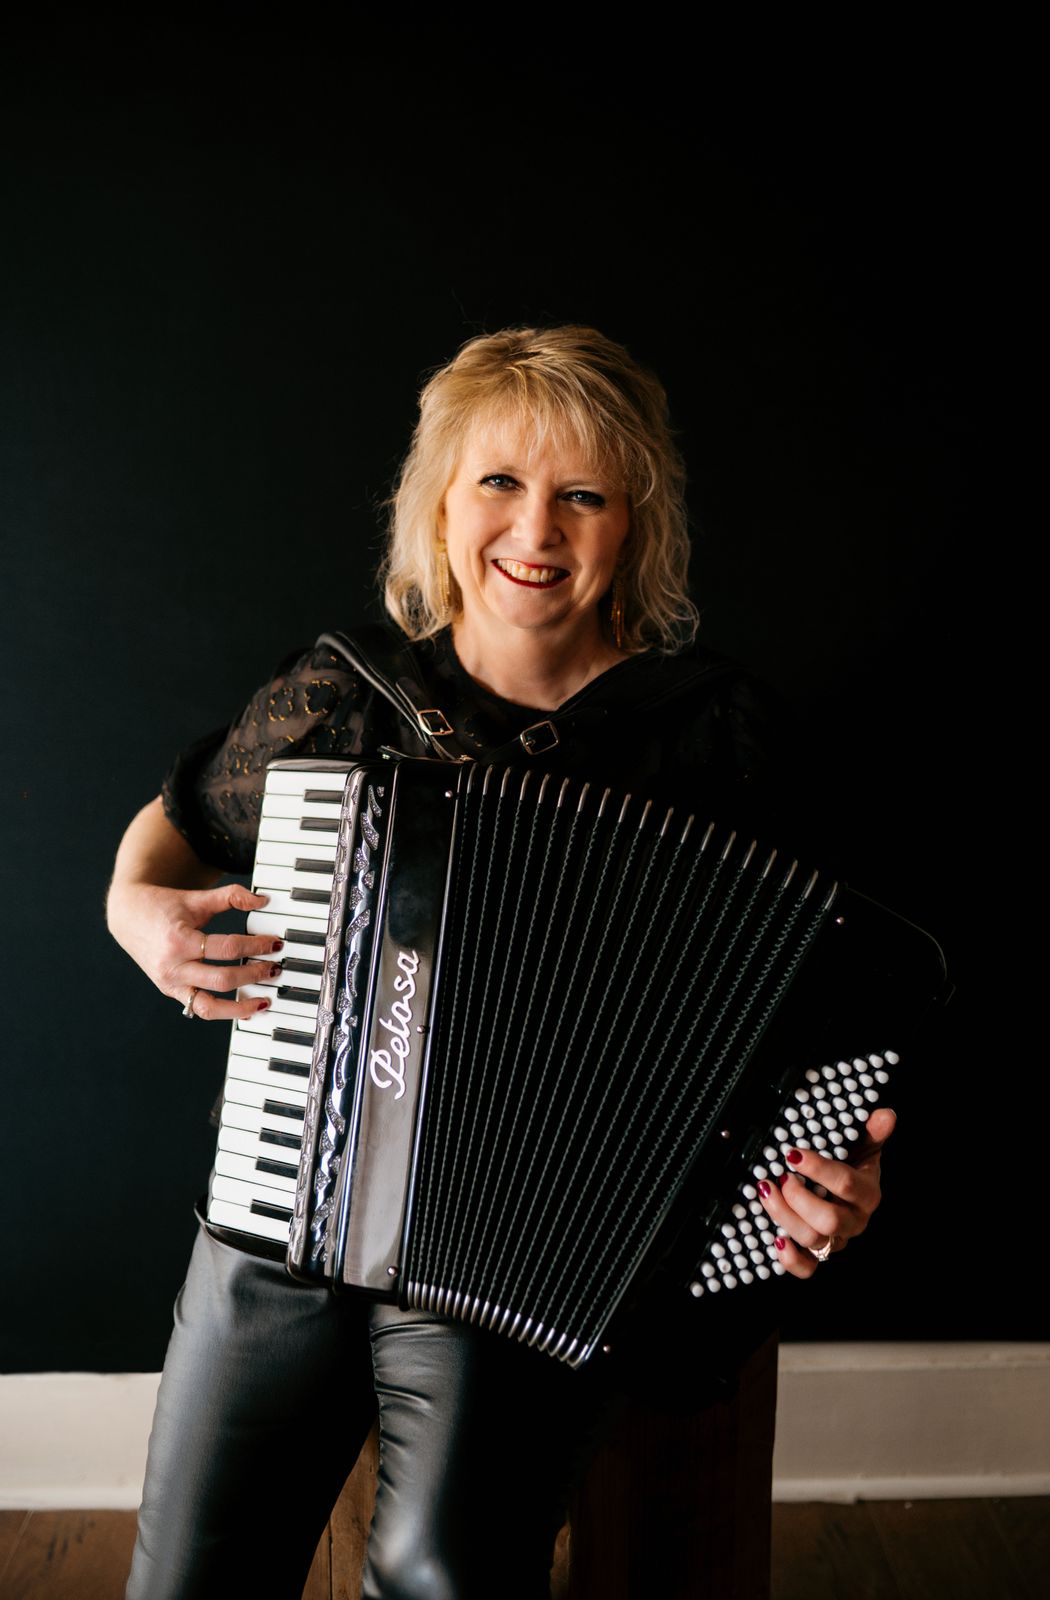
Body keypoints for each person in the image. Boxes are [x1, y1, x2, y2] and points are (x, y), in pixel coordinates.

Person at [107, 325, 895, 1600]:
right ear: (440, 502)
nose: (537, 528)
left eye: (584, 494)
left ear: (634, 524)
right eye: (501, 482)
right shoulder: (347, 695)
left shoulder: (715, 738)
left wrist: (837, 1174)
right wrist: (137, 912)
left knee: (445, 1575)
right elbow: (174, 827)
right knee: (190, 1572)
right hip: (286, 1204)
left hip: (522, 1260)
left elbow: (815, 996)